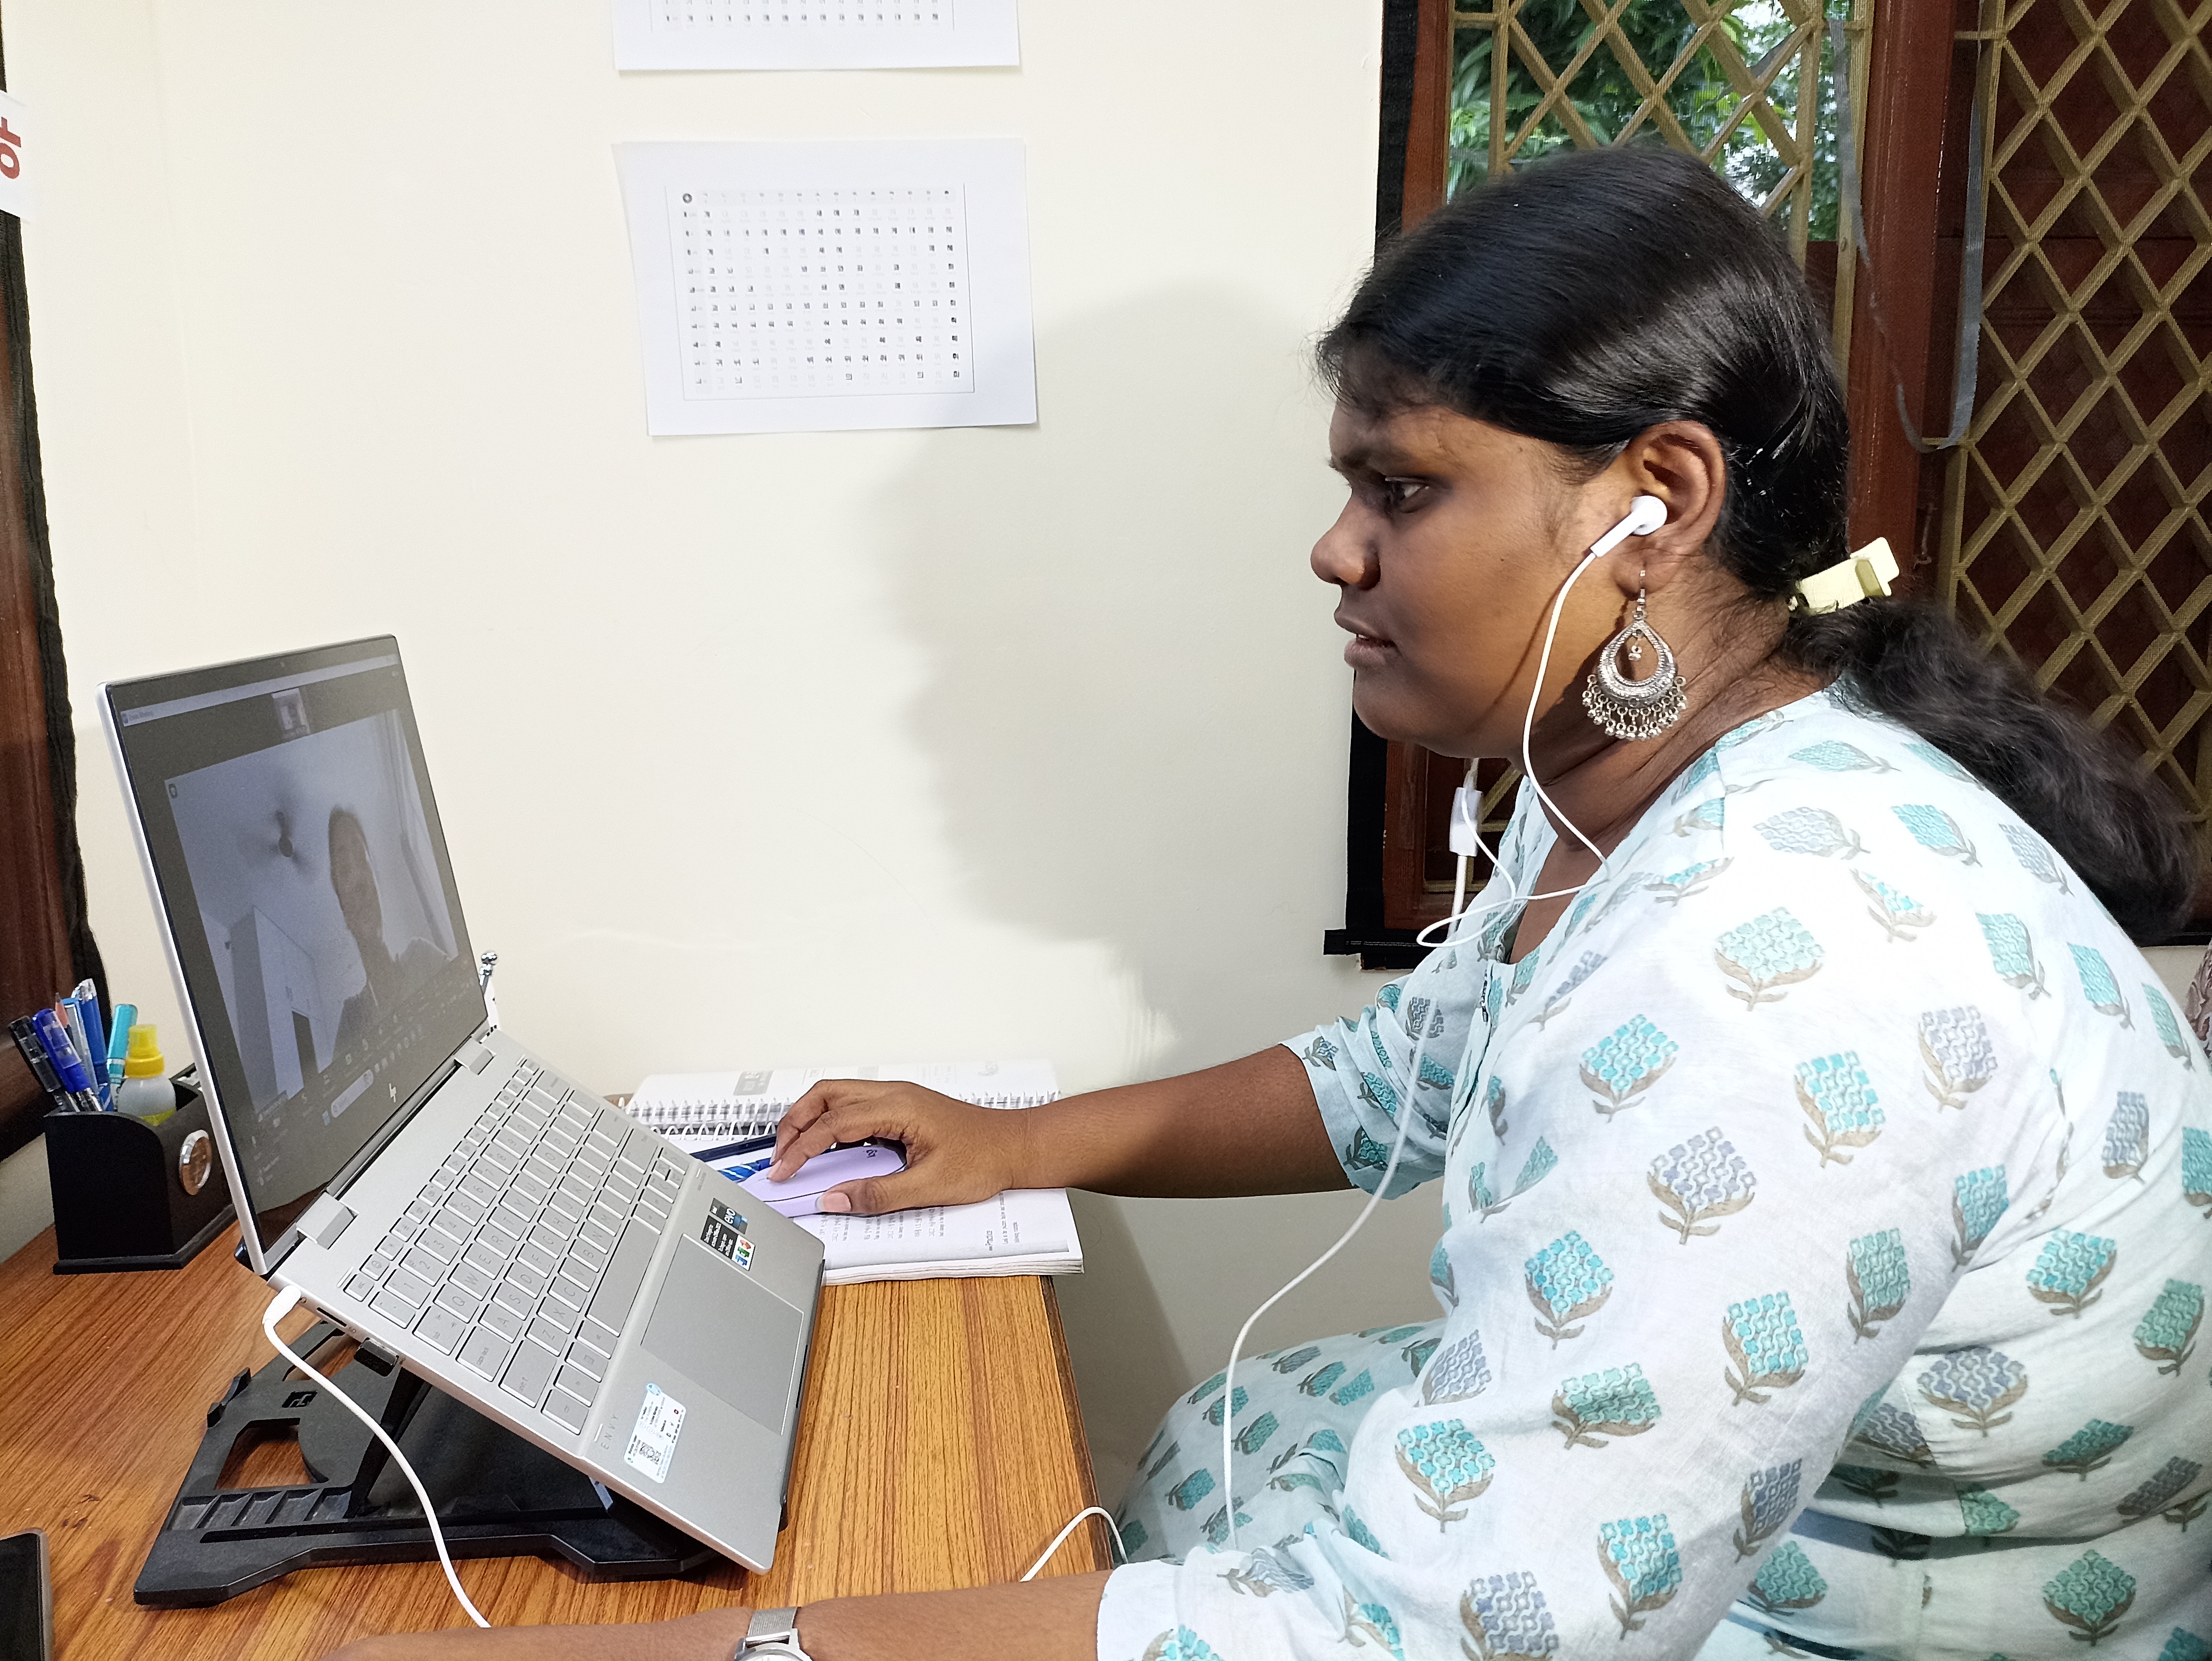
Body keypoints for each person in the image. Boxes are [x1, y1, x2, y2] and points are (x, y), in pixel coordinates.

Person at [329, 146, 2212, 1661]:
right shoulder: (1646, 797)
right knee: (1185, 1451)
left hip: (1889, 1603)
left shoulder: (1775, 956)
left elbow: (1421, 1633)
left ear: (1652, 504)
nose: (1334, 547)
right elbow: (1410, 1070)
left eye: (1400, 486)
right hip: (1761, 1526)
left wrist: (753, 1653)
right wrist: (1021, 1139)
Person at [330, 805, 449, 1060]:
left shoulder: (421, 954)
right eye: (344, 868)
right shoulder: (350, 1022)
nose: (359, 879)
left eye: (362, 859)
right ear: (342, 905)